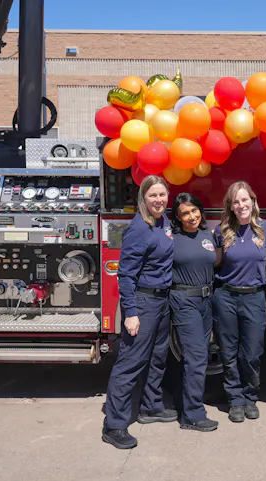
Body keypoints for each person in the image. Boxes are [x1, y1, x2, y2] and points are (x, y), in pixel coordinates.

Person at [102, 175, 176, 450]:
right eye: (153, 196)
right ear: (143, 198)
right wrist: (130, 312)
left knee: (157, 358)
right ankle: (114, 425)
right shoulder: (138, 229)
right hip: (143, 303)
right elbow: (126, 274)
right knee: (130, 363)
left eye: (162, 194)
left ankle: (151, 407)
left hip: (161, 302)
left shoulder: (163, 221)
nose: (158, 200)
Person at [213, 181, 266, 423]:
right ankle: (235, 400)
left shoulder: (265, 229)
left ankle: (251, 397)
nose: (241, 205)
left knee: (252, 353)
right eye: (236, 201)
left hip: (255, 298)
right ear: (230, 206)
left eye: (244, 200)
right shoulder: (222, 232)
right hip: (226, 297)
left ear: (253, 201)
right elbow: (216, 262)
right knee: (229, 353)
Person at [168, 193, 220, 432]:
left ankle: (186, 404)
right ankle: (192, 415)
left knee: (198, 356)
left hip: (206, 301)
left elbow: (216, 261)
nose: (192, 217)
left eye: (194, 211)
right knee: (196, 357)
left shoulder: (208, 235)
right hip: (184, 301)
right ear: (177, 218)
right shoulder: (172, 239)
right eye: (185, 213)